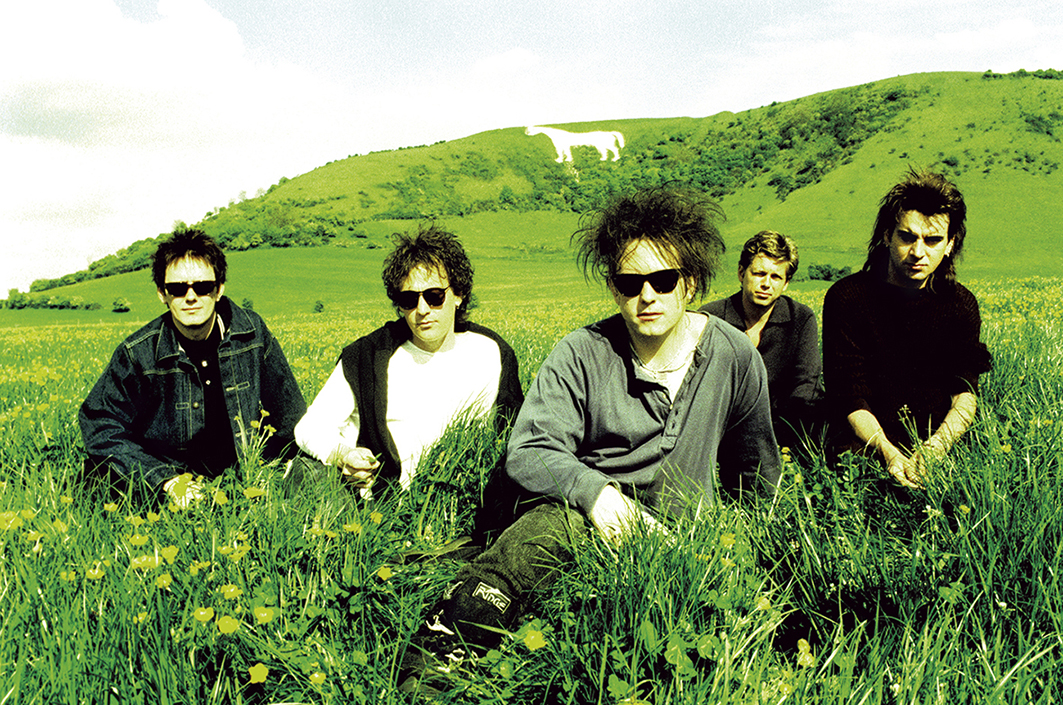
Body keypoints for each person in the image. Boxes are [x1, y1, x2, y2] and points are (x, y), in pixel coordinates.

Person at [400, 188, 781, 692]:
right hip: (582, 517)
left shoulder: (732, 355)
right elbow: (531, 448)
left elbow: (755, 470)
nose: (647, 296)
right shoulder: (582, 352)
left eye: (663, 281)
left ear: (688, 283)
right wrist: (598, 497)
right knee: (527, 550)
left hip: (681, 538)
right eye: (630, 282)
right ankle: (444, 645)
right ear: (612, 287)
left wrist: (748, 554)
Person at [291, 223, 523, 501]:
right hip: (381, 508)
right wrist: (344, 455)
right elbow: (309, 428)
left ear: (459, 295)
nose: (422, 310)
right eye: (408, 299)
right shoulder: (367, 357)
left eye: (435, 296)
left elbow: (516, 434)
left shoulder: (492, 353)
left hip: (467, 504)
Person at [79, 229, 306, 505]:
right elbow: (101, 424)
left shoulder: (252, 333)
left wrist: (273, 472)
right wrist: (164, 480)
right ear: (162, 294)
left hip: (244, 481)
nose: (190, 297)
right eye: (177, 288)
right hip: (169, 486)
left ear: (219, 289)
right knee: (93, 478)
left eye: (202, 286)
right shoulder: (138, 353)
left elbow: (290, 415)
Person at [822, 169, 992, 488]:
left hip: (938, 447)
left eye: (932, 240)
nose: (918, 252)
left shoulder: (961, 305)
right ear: (887, 235)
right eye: (907, 236)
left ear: (950, 244)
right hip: (864, 446)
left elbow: (965, 393)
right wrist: (888, 452)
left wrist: (936, 448)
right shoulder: (847, 298)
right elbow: (849, 394)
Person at [701, 231, 822, 446]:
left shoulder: (801, 319)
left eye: (776, 277)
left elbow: (806, 385)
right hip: (722, 429)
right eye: (759, 273)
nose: (766, 283)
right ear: (741, 273)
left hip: (785, 428)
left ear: (785, 283)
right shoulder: (711, 318)